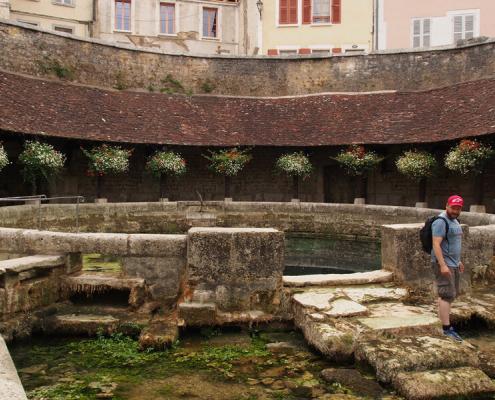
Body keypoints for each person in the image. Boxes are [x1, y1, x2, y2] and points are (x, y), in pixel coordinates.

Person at [431, 195, 465, 341]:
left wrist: (459, 261)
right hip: (444, 264)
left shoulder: (455, 221)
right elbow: (436, 244)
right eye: (453, 207)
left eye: (458, 208)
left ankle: (442, 322)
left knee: (447, 294)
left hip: (453, 263)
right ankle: (446, 329)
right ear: (447, 206)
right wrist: (443, 265)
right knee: (448, 295)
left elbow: (453, 243)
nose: (455, 211)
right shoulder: (441, 221)